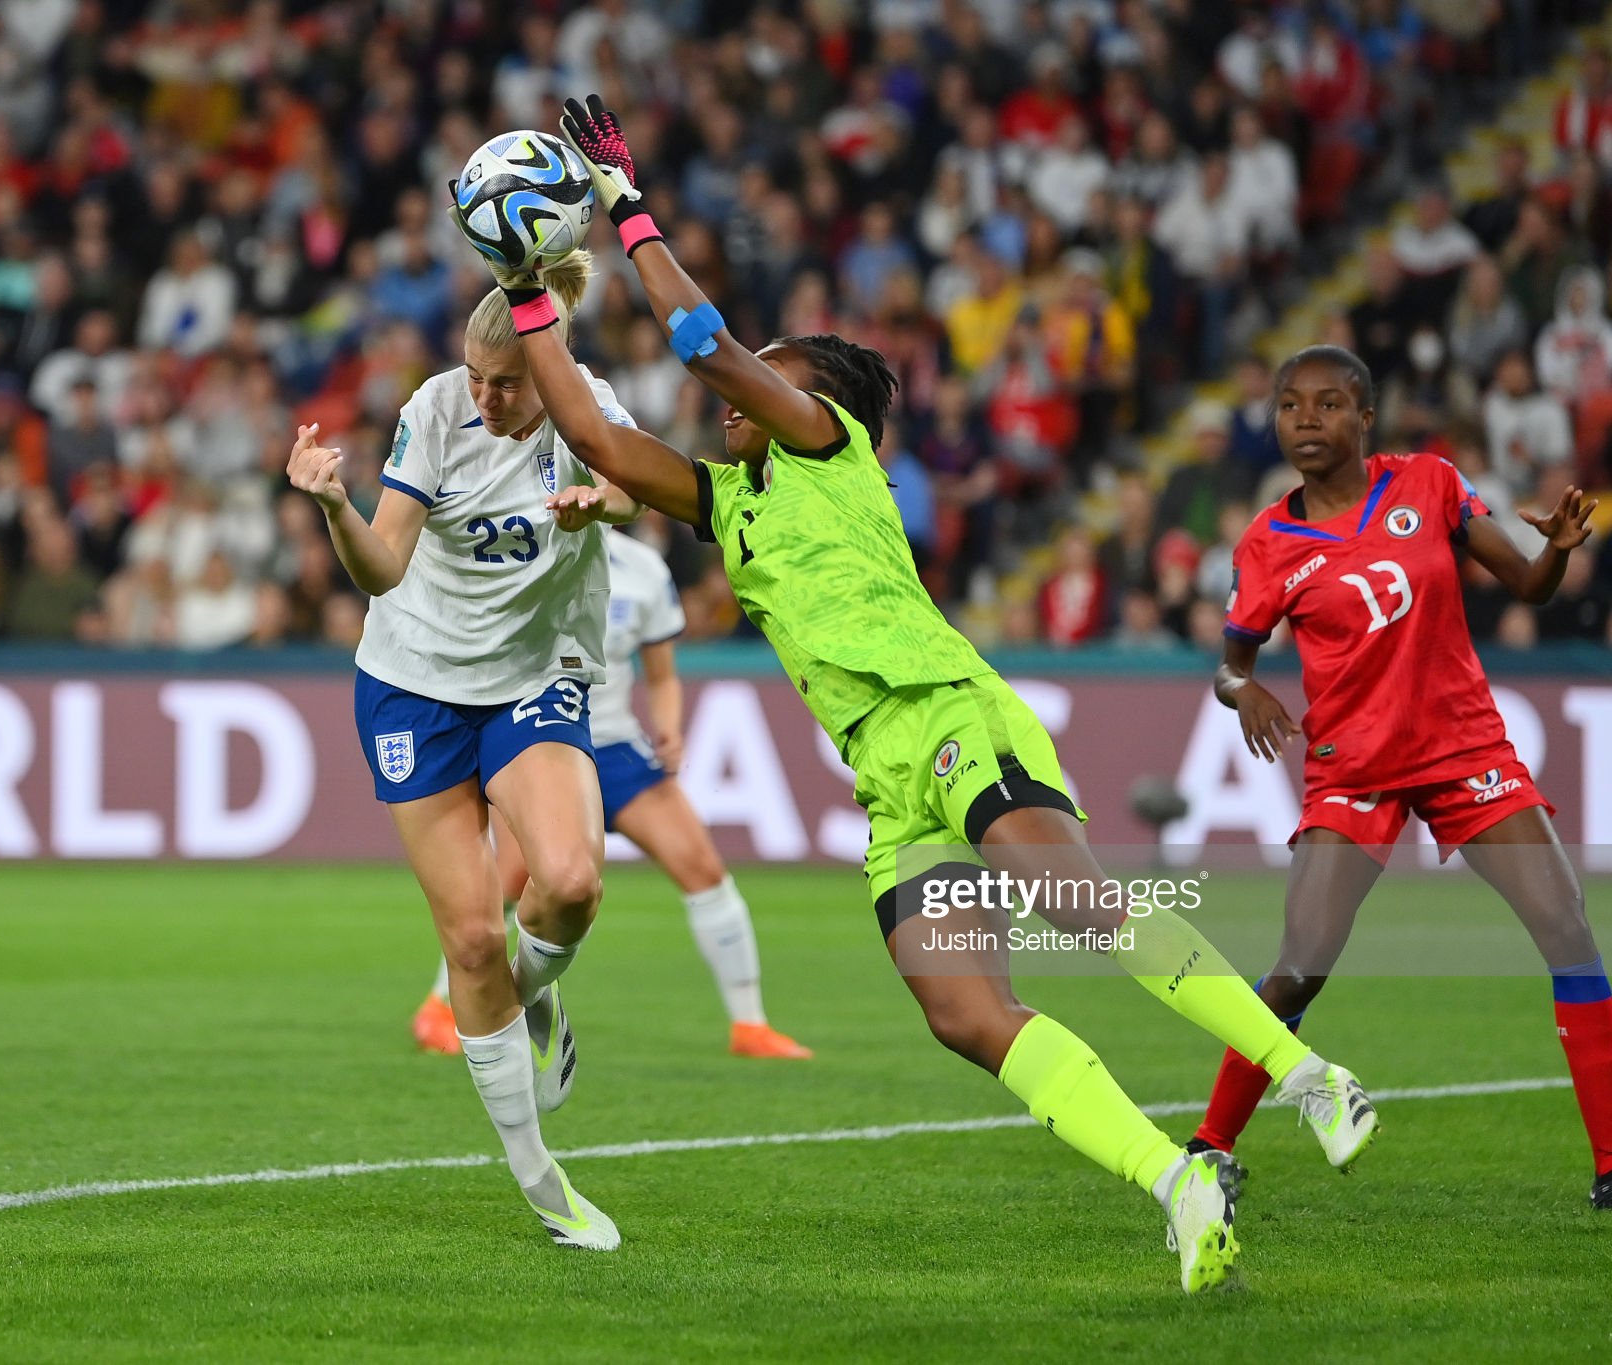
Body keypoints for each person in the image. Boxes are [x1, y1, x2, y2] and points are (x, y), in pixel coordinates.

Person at [452, 95, 1385, 1295]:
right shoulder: (721, 500)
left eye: (764, 381)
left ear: (815, 398)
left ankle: (1310, 1079)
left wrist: (627, 208)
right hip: (888, 784)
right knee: (962, 1014)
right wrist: (528, 288)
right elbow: (584, 425)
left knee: (1079, 905)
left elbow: (698, 344)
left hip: (948, 715)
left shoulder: (826, 443)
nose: (733, 400)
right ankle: (1177, 1182)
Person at [1193, 344, 1612, 1214]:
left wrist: (1560, 553)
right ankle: (1207, 1149)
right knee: (1302, 965)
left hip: (1464, 750)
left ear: (1365, 417)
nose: (1305, 420)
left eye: (1326, 404)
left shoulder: (1428, 482)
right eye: (1288, 406)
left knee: (1567, 926)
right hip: (1353, 766)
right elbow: (1231, 665)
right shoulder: (1268, 543)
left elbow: (1528, 585)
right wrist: (1247, 693)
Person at [285, 249, 640, 1252]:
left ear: (550, 373)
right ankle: (543, 1185)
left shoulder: (588, 408)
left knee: (569, 882)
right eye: (476, 379)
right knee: (473, 943)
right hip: (412, 686)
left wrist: (597, 502)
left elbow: (639, 494)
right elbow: (384, 569)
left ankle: (536, 994)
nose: (485, 398)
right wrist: (331, 507)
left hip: (529, 679)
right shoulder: (436, 410)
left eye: (507, 386)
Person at [410, 526, 815, 1062]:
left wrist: (668, 727)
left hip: (615, 745)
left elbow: (662, 674)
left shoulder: (645, 569)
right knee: (507, 882)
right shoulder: (526, 540)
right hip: (538, 741)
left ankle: (750, 1025)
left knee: (702, 868)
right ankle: (438, 1006)